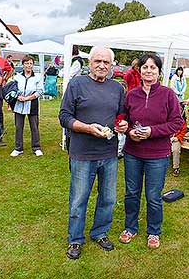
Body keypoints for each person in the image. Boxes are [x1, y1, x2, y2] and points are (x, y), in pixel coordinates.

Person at [59, 46, 127, 260]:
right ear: (90, 63)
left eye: (106, 62)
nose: (101, 65)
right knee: (79, 199)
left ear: (112, 66)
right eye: (98, 61)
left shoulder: (117, 88)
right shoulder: (76, 84)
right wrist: (86, 127)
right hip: (82, 153)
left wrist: (122, 124)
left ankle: (99, 232)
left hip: (108, 153)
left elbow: (121, 115)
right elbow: (64, 116)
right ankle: (75, 239)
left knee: (108, 198)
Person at [118, 53, 183, 249]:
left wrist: (152, 132)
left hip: (157, 155)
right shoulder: (131, 95)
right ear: (140, 70)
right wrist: (129, 131)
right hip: (133, 153)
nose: (148, 71)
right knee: (131, 193)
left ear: (158, 71)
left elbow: (177, 122)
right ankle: (130, 227)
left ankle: (154, 231)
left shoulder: (168, 94)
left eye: (152, 68)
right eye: (145, 67)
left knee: (153, 196)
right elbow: (123, 119)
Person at [10, 55, 44, 157]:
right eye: (26, 63)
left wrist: (27, 98)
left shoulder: (37, 77)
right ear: (23, 65)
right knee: (18, 127)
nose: (29, 66)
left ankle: (36, 147)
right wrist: (17, 97)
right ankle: (18, 148)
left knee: (34, 127)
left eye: (31, 63)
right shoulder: (17, 77)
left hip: (32, 105)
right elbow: (12, 89)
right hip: (19, 105)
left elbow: (40, 91)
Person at [171, 104, 187, 177]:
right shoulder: (168, 118)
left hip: (176, 139)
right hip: (166, 138)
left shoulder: (182, 121)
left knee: (176, 150)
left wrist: (177, 138)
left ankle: (176, 167)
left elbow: (183, 131)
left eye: (180, 110)